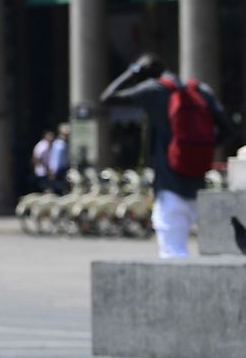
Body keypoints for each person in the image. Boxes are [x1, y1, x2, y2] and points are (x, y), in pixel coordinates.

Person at [100, 54, 229, 259]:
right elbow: (227, 129)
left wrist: (133, 70)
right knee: (211, 257)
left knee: (173, 255)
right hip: (199, 184)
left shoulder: (155, 89)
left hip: (170, 185)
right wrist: (200, 151)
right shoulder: (199, 90)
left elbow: (107, 97)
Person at [47, 123, 71, 193]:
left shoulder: (64, 144)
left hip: (64, 169)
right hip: (59, 171)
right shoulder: (59, 145)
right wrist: (54, 171)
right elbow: (55, 159)